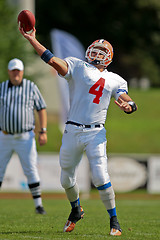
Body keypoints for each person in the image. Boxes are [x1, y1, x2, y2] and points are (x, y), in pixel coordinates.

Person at [19, 27, 137, 236]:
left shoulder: (116, 79)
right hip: (73, 129)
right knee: (66, 179)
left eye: (103, 51)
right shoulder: (77, 65)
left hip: (96, 133)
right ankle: (76, 209)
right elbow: (52, 60)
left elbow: (126, 98)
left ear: (109, 57)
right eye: (96, 49)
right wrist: (33, 40)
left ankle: (114, 220)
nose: (98, 53)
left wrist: (130, 106)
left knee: (100, 177)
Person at [0, 58, 47, 215]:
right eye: (13, 71)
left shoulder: (30, 87)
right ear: (9, 72)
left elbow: (41, 108)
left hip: (25, 137)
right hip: (4, 136)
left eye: (18, 71)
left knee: (31, 169)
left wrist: (43, 131)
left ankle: (38, 205)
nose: (16, 74)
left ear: (22, 72)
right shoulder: (1, 88)